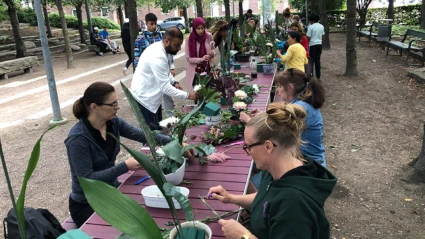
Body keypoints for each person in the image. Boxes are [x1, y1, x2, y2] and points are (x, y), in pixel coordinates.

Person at [208, 102, 337, 239]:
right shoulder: (278, 170)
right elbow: (266, 199)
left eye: (248, 146)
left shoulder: (293, 204)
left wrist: (243, 236)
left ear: (268, 147)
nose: (248, 153)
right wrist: (231, 198)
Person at [65, 82, 171, 227]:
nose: (118, 107)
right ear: (94, 107)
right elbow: (87, 180)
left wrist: (174, 143)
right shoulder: (78, 139)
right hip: (88, 203)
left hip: (112, 192)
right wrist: (125, 166)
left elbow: (145, 136)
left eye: (117, 102)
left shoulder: (113, 123)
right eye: (113, 104)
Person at [131, 27, 198, 130]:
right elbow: (165, 88)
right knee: (152, 134)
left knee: (159, 128)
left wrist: (174, 81)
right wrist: (188, 95)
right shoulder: (158, 56)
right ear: (167, 41)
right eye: (177, 45)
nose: (179, 48)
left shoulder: (164, 50)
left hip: (152, 96)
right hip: (145, 98)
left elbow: (165, 71)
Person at [134, 13, 176, 117]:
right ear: (146, 23)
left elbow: (169, 51)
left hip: (163, 69)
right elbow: (137, 57)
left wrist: (172, 67)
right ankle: (153, 120)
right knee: (153, 95)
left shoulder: (162, 36)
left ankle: (170, 117)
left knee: (167, 93)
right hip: (150, 74)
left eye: (155, 24)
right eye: (151, 24)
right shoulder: (140, 38)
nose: (154, 26)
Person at [185, 17, 215, 90]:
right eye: (198, 28)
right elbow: (188, 58)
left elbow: (213, 51)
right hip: (195, 71)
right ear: (194, 28)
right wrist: (201, 59)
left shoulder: (208, 36)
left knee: (209, 92)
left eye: (202, 28)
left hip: (208, 69)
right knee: (198, 93)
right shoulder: (189, 39)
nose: (201, 31)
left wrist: (212, 53)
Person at [306, 13, 325, 80]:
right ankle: (318, 76)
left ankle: (310, 75)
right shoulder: (321, 26)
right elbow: (322, 36)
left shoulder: (311, 27)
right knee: (317, 60)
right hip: (319, 45)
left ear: (312, 20)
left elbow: (308, 37)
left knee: (311, 61)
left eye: (310, 20)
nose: (309, 22)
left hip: (312, 45)